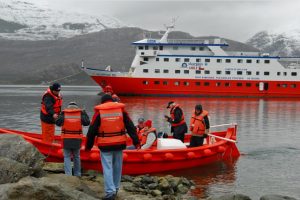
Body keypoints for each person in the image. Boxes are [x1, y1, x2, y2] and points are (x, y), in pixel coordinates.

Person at [85, 94, 140, 200]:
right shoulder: (121, 111)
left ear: (102, 102)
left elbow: (91, 131)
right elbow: (131, 127)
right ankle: (116, 188)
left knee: (108, 168)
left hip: (105, 145)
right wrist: (136, 142)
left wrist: (88, 147)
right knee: (118, 167)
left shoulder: (99, 112)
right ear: (112, 100)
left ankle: (110, 192)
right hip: (119, 144)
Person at [55, 102, 90, 176]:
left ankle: (68, 175)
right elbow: (87, 122)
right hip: (77, 139)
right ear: (77, 107)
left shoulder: (64, 113)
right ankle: (77, 174)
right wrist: (84, 113)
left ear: (68, 107)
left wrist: (61, 114)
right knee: (76, 156)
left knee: (67, 157)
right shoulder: (80, 113)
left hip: (66, 139)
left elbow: (57, 123)